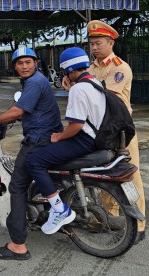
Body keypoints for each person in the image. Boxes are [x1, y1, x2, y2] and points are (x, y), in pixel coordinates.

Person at [63, 20, 146, 243]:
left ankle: (138, 226)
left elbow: (104, 96)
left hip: (121, 131)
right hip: (99, 130)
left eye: (99, 43)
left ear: (110, 42)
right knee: (103, 176)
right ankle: (110, 218)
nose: (95, 47)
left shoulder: (119, 67)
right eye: (91, 44)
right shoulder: (91, 67)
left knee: (130, 177)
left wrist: (78, 87)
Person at [0, 46, 62, 260]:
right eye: (20, 63)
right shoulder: (35, 81)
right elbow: (20, 105)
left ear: (35, 63)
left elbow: (18, 110)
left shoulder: (34, 82)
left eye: (28, 62)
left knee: (17, 186)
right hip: (50, 137)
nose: (24, 66)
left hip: (38, 140)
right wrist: (8, 115)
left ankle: (17, 245)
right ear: (15, 66)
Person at [26, 47, 104, 234]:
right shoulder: (94, 82)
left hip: (83, 140)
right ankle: (57, 192)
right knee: (50, 155)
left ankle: (60, 209)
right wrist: (71, 91)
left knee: (34, 161)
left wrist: (58, 136)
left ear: (68, 69)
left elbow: (76, 125)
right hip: (98, 138)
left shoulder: (79, 89)